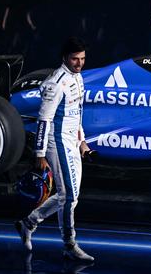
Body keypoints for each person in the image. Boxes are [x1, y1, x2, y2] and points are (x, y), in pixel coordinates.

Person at [15, 37, 94, 262]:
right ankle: (69, 245)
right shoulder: (55, 83)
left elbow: (77, 114)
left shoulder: (78, 78)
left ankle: (28, 223)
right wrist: (39, 153)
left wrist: (82, 142)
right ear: (64, 58)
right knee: (69, 196)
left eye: (82, 59)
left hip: (71, 141)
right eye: (74, 59)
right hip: (55, 141)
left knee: (69, 196)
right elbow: (44, 119)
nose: (79, 63)